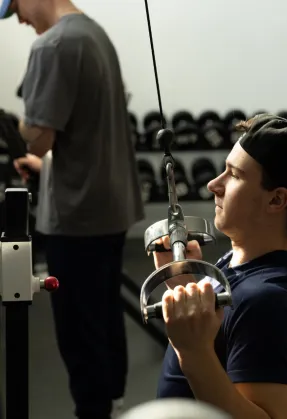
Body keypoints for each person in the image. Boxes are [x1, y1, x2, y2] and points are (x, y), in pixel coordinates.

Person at [7, 1, 144, 418]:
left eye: (15, 7)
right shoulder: (93, 33)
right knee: (103, 314)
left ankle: (93, 411)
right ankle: (112, 402)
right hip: (108, 204)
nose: (18, 19)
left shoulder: (51, 46)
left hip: (77, 216)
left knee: (79, 333)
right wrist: (45, 166)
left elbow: (38, 138)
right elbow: (82, 129)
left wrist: (21, 130)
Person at [152, 114, 287, 419]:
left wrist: (193, 354)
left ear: (276, 200)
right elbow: (223, 337)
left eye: (233, 175)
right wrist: (187, 284)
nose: (213, 184)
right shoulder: (237, 264)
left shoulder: (267, 301)